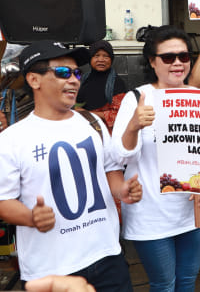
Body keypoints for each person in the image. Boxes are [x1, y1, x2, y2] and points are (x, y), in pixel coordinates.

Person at [0, 40, 141, 289]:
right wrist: (31, 217)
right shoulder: (12, 139)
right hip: (51, 268)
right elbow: (3, 201)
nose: (74, 80)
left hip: (107, 255)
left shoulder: (92, 122)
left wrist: (123, 191)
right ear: (34, 80)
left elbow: (110, 171)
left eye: (77, 73)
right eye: (63, 72)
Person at [111, 26, 200, 291]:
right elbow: (119, 155)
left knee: (187, 282)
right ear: (152, 62)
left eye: (184, 56)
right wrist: (133, 126)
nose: (177, 62)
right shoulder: (136, 99)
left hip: (192, 213)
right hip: (151, 216)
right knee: (164, 284)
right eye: (168, 57)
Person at [76, 40, 128, 133]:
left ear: (111, 59)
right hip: (82, 129)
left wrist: (87, 114)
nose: (101, 59)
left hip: (106, 132)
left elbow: (118, 114)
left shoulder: (117, 83)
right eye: (96, 56)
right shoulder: (82, 79)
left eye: (106, 56)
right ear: (90, 59)